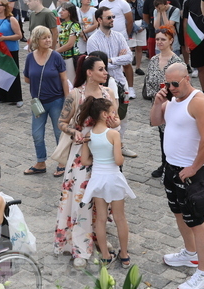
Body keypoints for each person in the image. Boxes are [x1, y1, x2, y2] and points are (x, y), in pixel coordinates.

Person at [150, 62, 204, 289]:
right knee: (178, 213)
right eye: (167, 83)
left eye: (175, 83)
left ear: (187, 79)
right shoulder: (172, 100)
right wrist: (157, 102)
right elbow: (155, 121)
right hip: (171, 168)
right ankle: (190, 253)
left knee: (196, 220)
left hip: (189, 172)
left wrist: (194, 167)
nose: (171, 88)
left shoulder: (199, 102)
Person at [54, 53, 119, 268]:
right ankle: (80, 246)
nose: (105, 72)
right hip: (81, 154)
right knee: (81, 198)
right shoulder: (76, 94)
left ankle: (99, 237)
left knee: (102, 199)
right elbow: (61, 122)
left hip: (104, 153)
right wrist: (74, 132)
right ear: (89, 72)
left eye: (105, 68)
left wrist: (114, 123)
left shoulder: (109, 93)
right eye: (101, 69)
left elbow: (117, 119)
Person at [78, 96, 134, 268]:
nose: (115, 115)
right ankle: (124, 255)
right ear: (104, 114)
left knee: (100, 219)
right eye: (112, 112)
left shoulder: (89, 135)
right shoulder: (114, 134)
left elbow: (85, 161)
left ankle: (105, 255)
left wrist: (98, 161)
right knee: (120, 218)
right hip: (113, 178)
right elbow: (118, 161)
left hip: (97, 179)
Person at [22, 26, 69, 177]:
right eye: (44, 38)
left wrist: (68, 101)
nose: (48, 40)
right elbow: (27, 78)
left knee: (59, 133)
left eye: (49, 37)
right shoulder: (30, 58)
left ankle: (62, 162)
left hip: (56, 100)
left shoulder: (56, 57)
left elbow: (64, 79)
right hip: (38, 102)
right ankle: (40, 162)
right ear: (37, 40)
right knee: (37, 134)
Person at [145, 28, 184, 180]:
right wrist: (156, 98)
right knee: (162, 136)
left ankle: (173, 165)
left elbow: (181, 87)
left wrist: (168, 98)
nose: (159, 42)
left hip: (172, 104)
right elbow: (148, 82)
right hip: (157, 104)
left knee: (173, 136)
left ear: (171, 41)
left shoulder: (177, 62)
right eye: (158, 39)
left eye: (163, 39)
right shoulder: (154, 60)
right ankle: (164, 164)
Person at [0, 0, 23, 106]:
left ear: (4, 6)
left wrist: (5, 38)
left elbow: (19, 35)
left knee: (13, 72)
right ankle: (3, 96)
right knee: (0, 73)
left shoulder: (11, 19)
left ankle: (17, 97)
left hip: (10, 49)